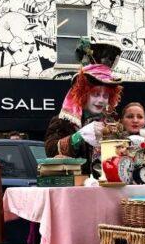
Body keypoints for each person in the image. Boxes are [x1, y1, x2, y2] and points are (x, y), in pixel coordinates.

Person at [44, 42, 123, 175]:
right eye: (96, 94)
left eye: (105, 95)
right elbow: (51, 151)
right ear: (83, 94)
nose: (101, 100)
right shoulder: (63, 121)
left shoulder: (112, 122)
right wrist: (78, 136)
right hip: (76, 187)